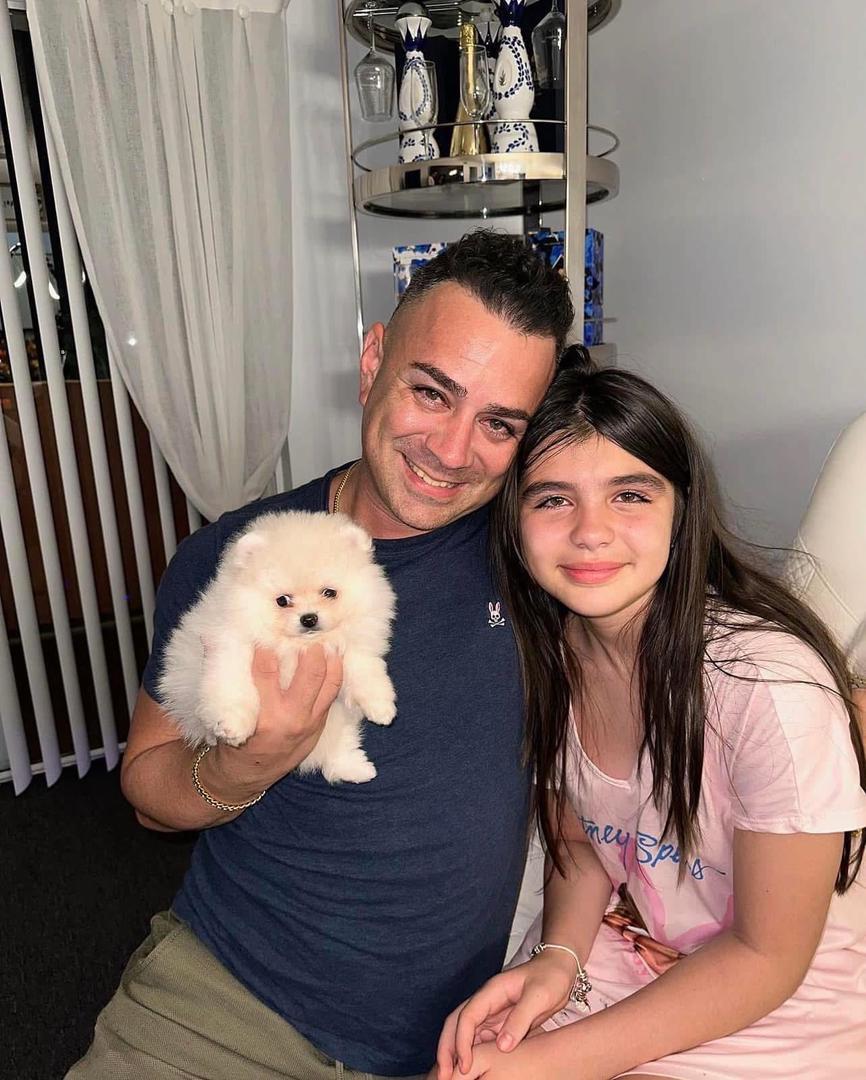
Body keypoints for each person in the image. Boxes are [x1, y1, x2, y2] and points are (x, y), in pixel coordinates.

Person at [67, 230, 574, 1080]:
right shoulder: (240, 559)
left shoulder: (541, 556)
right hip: (229, 1003)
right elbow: (149, 793)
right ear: (374, 362)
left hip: (458, 1036)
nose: (452, 452)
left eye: (498, 423)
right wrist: (245, 765)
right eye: (431, 392)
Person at [433, 353, 866, 1080]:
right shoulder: (548, 653)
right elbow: (578, 841)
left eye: (629, 495)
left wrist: (546, 1063)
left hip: (780, 990)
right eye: (552, 499)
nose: (591, 532)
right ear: (514, 522)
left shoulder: (768, 687)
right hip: (632, 943)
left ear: (680, 509)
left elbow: (767, 957)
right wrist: (556, 958)